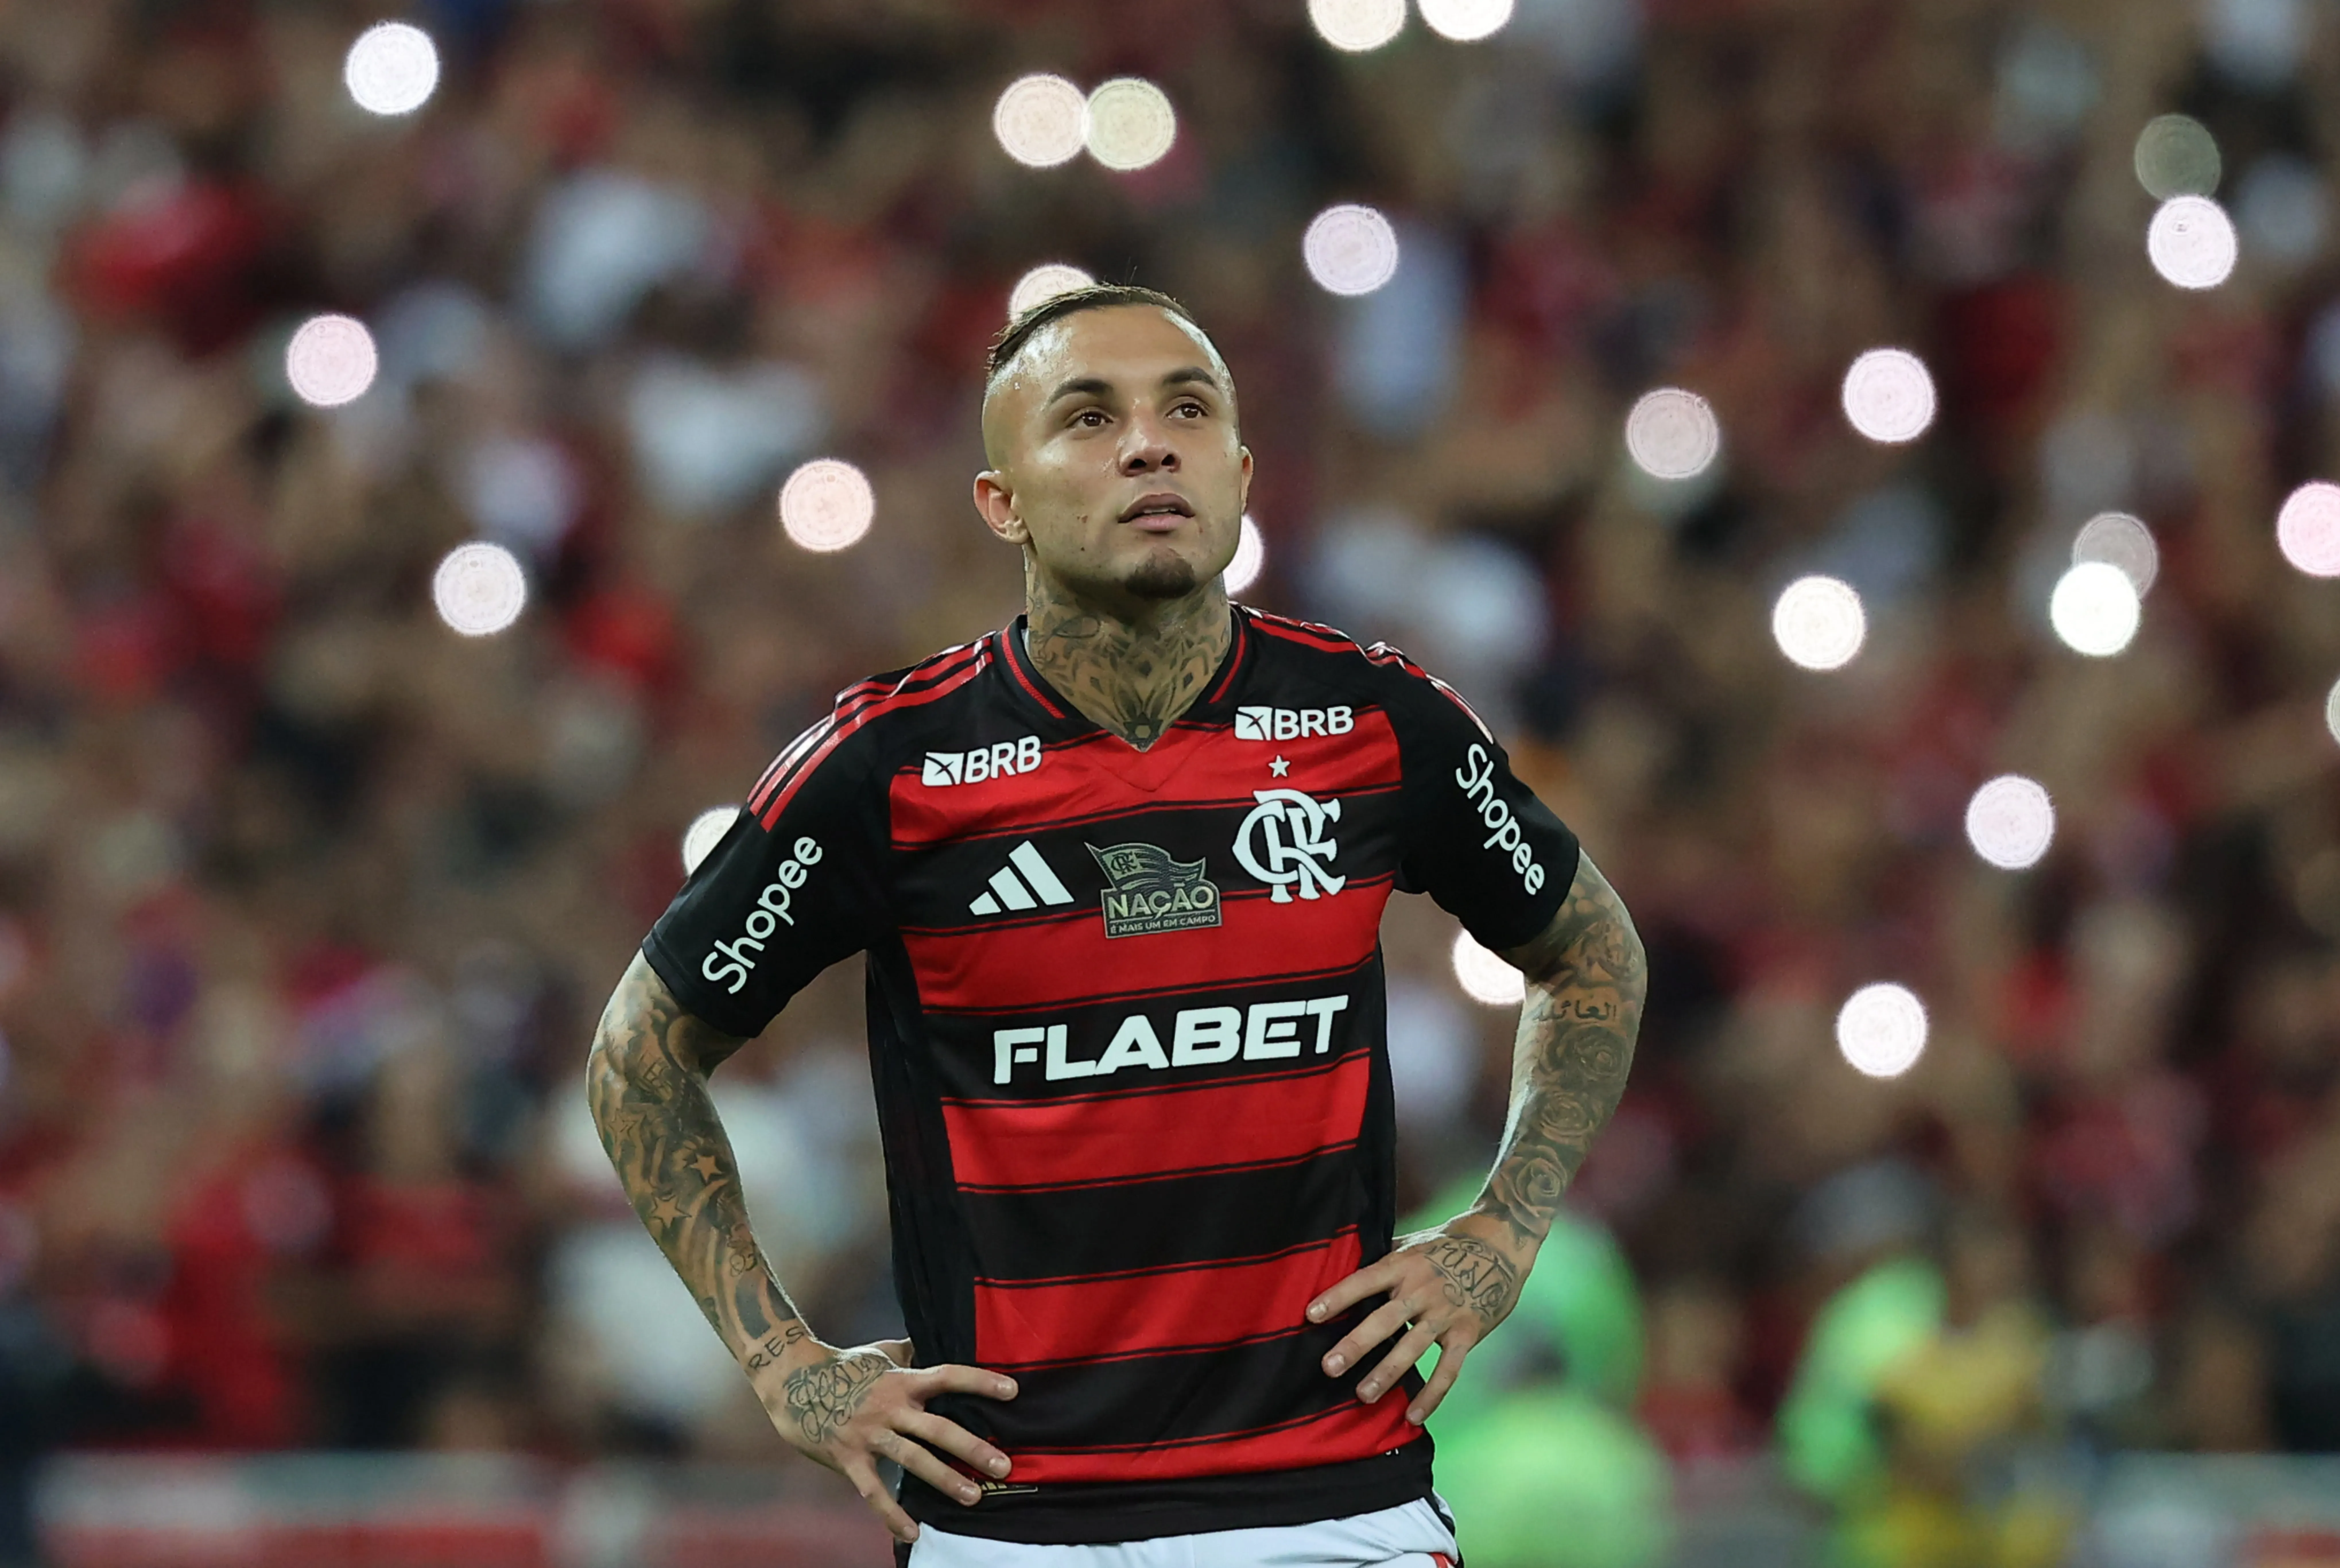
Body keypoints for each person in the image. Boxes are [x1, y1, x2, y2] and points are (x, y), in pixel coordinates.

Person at [584, 284, 1647, 1565]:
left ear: (1241, 475)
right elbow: (640, 1054)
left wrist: (1504, 1226)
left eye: (1186, 411)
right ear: (1002, 502)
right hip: (1018, 1530)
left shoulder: (1376, 724)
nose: (1149, 444)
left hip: (1334, 1511)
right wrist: (783, 1361)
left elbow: (1589, 952)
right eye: (1088, 418)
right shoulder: (888, 766)